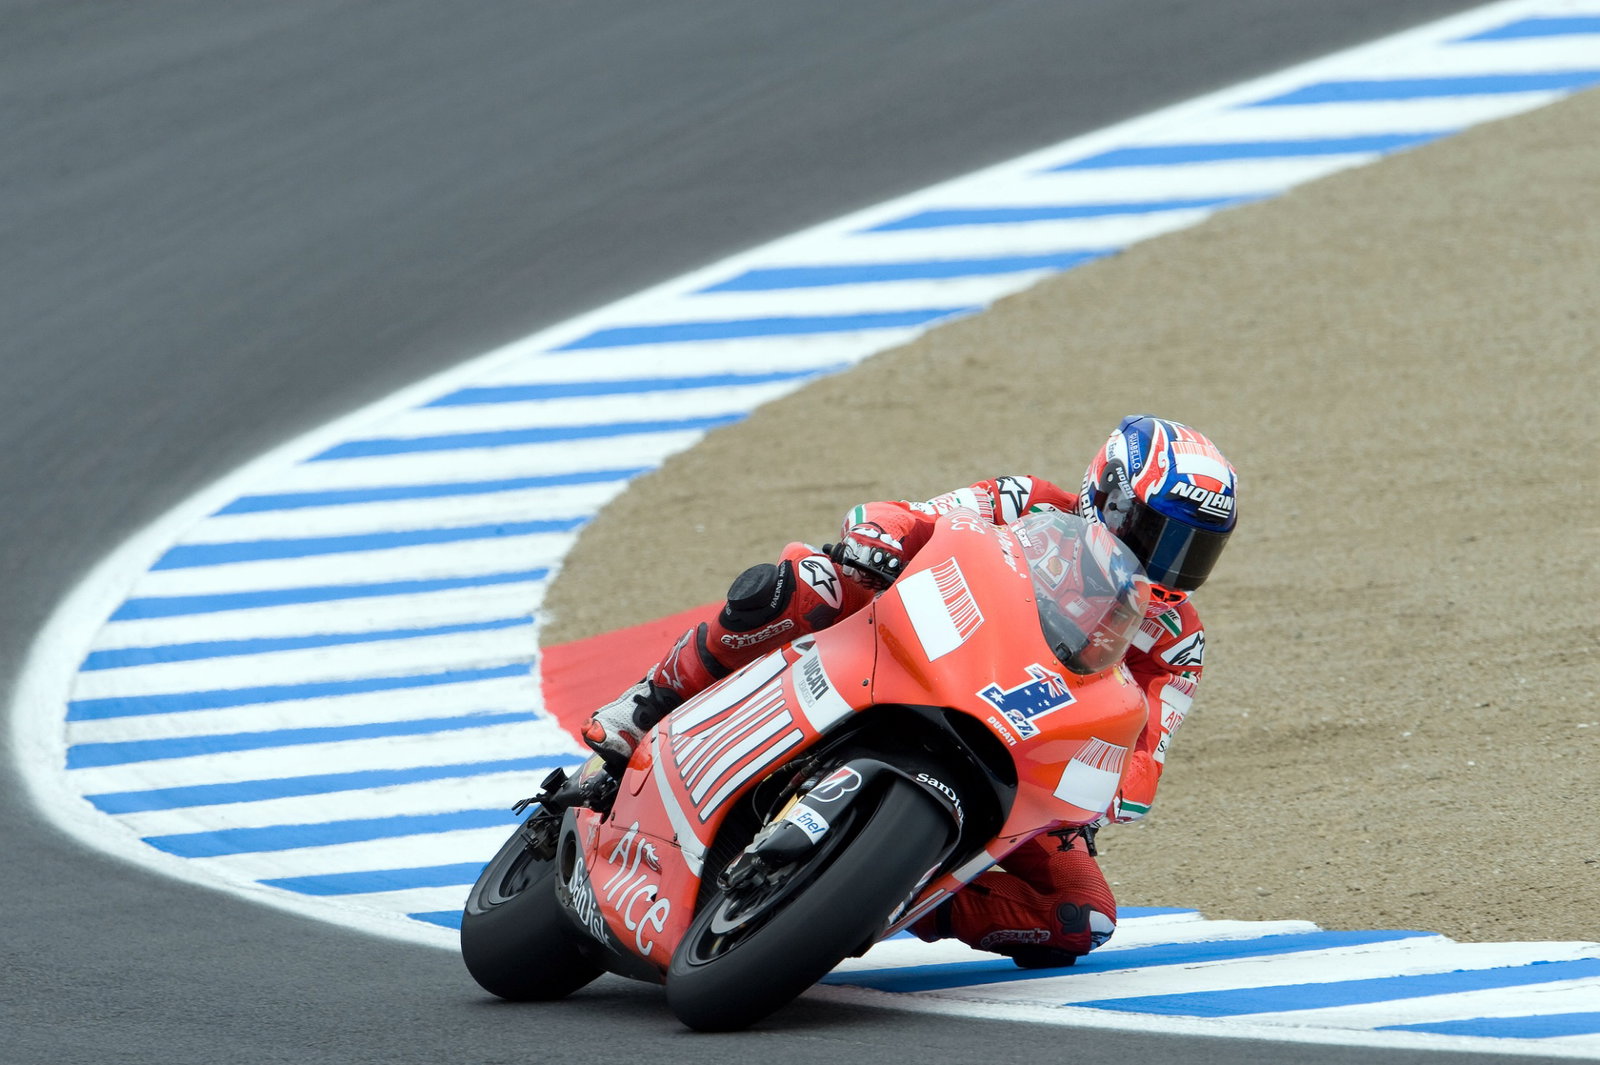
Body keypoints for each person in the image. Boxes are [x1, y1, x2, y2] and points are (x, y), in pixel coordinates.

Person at [582, 414, 1237, 968]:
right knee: (805, 582)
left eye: (1193, 549)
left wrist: (1120, 781)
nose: (1167, 563)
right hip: (927, 640)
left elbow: (1149, 735)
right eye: (1157, 534)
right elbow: (927, 517)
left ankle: (884, 892)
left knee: (1081, 915)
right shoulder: (1030, 501)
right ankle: (650, 703)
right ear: (1110, 495)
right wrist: (882, 535)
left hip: (1024, 736)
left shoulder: (1179, 636)